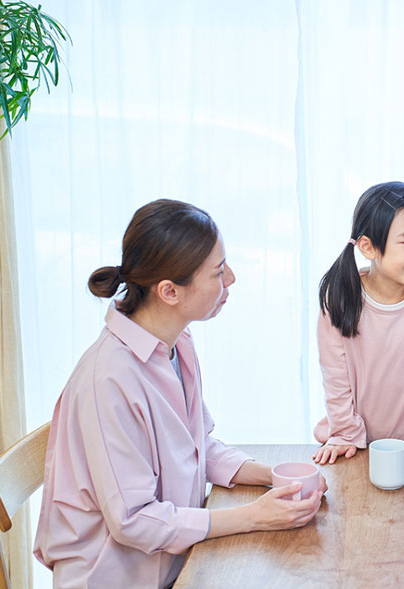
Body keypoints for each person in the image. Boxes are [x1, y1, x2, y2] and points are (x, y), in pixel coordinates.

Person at [34, 199, 326, 589]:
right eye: (218, 272)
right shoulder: (108, 379)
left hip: (175, 562)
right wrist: (255, 516)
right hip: (116, 577)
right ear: (169, 291)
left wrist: (272, 477)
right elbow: (134, 520)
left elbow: (195, 445)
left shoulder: (175, 343)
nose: (232, 279)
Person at [312, 181, 404, 464]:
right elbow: (335, 376)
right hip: (354, 445)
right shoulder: (340, 296)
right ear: (368, 247)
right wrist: (344, 433)